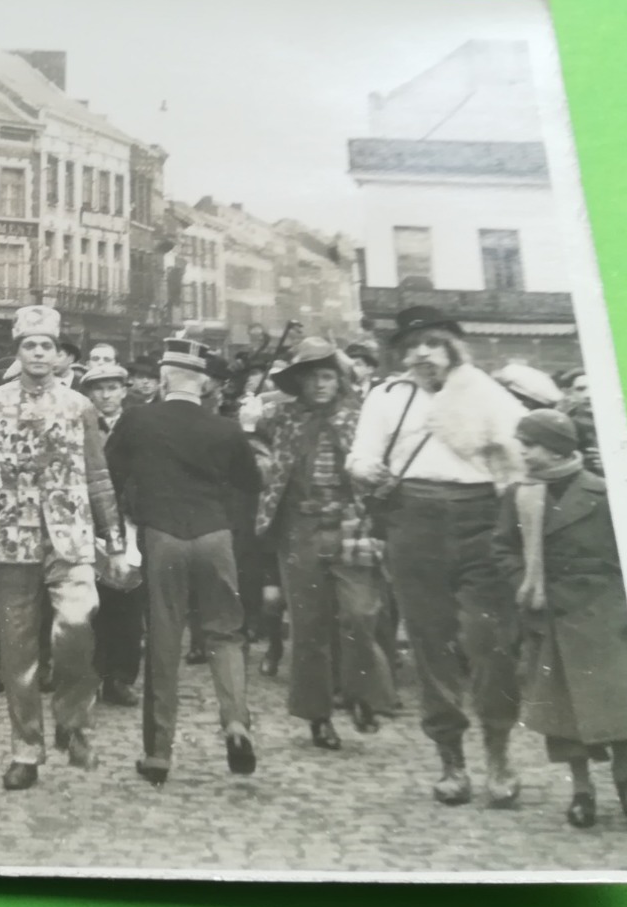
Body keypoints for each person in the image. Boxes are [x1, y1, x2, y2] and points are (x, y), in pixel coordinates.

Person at [346, 305, 526, 807]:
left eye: (432, 342)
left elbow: (522, 455)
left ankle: (499, 755)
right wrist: (367, 471)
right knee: (431, 644)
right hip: (414, 520)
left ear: (453, 346)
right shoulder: (387, 397)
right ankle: (452, 762)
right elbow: (361, 454)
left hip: (482, 519)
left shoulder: (489, 395)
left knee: (491, 643)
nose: (422, 353)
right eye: (412, 345)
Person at [0, 307, 124, 790]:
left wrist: (112, 532)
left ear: (58, 353)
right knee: (18, 652)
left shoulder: (79, 406)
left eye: (47, 346)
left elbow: (97, 473)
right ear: (19, 351)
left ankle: (73, 720)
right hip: (13, 538)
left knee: (76, 627)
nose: (39, 354)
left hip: (70, 535)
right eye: (30, 345)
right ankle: (25, 749)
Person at [106, 338, 261, 787]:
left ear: (166, 378)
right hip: (215, 536)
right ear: (204, 384)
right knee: (225, 633)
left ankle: (158, 754)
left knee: (164, 639)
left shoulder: (138, 419)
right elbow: (250, 483)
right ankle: (235, 722)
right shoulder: (225, 429)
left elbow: (110, 476)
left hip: (163, 535)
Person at [255, 338, 396, 751]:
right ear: (297, 382)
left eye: (327, 376)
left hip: (351, 525)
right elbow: (250, 434)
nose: (319, 384)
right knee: (309, 627)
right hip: (299, 531)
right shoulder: (282, 418)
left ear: (340, 379)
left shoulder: (360, 419)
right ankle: (317, 717)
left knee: (359, 614)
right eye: (310, 377)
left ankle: (362, 694)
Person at [494, 408, 627, 830]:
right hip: (548, 616)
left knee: (622, 711)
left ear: (556, 449)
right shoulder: (520, 495)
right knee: (565, 717)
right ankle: (581, 791)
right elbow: (504, 548)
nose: (522, 453)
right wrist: (526, 585)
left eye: (530, 445)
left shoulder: (606, 492)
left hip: (606, 616)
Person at [78, 363, 144, 709]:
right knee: (90, 605)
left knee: (128, 601)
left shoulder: (138, 426)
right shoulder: (81, 425)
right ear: (89, 393)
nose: (106, 395)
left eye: (113, 387)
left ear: (124, 390)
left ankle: (120, 676)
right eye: (99, 388)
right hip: (87, 521)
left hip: (128, 520)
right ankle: (92, 674)